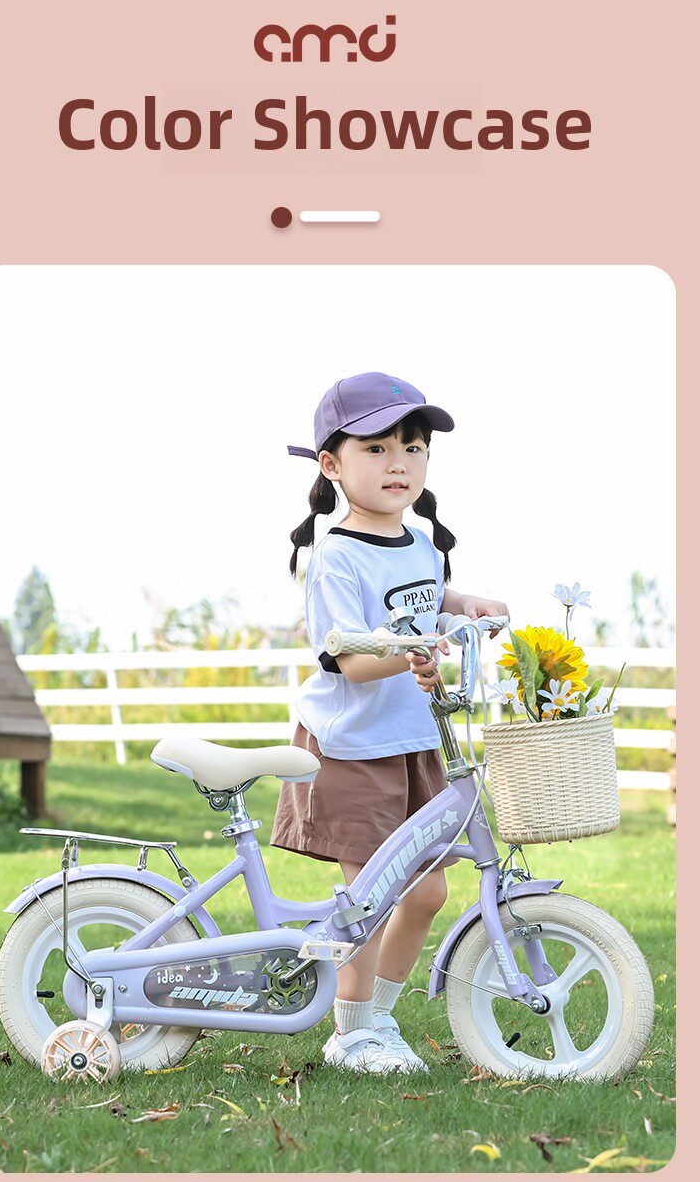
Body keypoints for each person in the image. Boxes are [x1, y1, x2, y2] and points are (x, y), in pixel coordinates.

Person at [270, 371, 509, 1073]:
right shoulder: (335, 557)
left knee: (428, 891)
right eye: (375, 449)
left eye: (412, 447)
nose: (398, 462)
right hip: (353, 748)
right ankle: (350, 1031)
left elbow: (425, 598)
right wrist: (414, 651)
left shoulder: (422, 543)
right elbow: (348, 658)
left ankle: (376, 1019)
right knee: (368, 900)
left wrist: (463, 605)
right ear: (331, 464)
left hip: (415, 742)